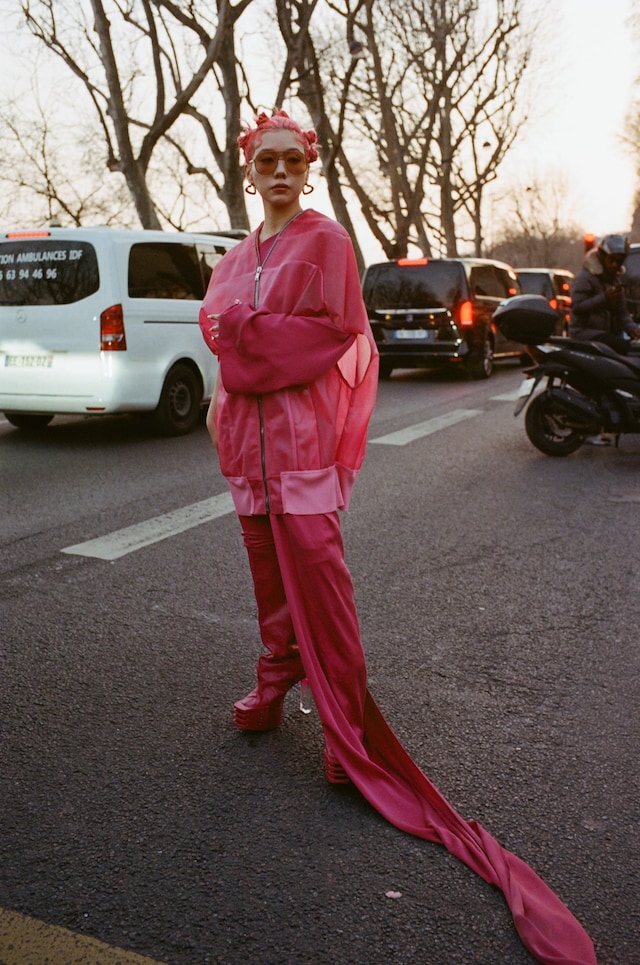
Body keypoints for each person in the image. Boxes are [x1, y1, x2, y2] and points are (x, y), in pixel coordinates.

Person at [199, 109, 597, 965]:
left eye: (289, 160)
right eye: (263, 160)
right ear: (247, 168)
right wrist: (235, 349)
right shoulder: (233, 258)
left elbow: (330, 333)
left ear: (308, 167)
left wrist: (245, 344)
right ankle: (273, 683)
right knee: (267, 579)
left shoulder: (327, 242)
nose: (276, 172)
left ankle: (344, 724)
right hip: (245, 447)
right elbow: (214, 328)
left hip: (300, 446)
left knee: (323, 586)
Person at [568, 233, 640, 444]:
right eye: (612, 260)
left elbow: (622, 313)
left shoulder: (614, 279)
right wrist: (603, 298)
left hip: (604, 334)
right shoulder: (585, 277)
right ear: (602, 257)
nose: (615, 264)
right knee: (623, 348)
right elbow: (577, 308)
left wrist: (634, 329)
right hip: (585, 333)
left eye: (619, 261)